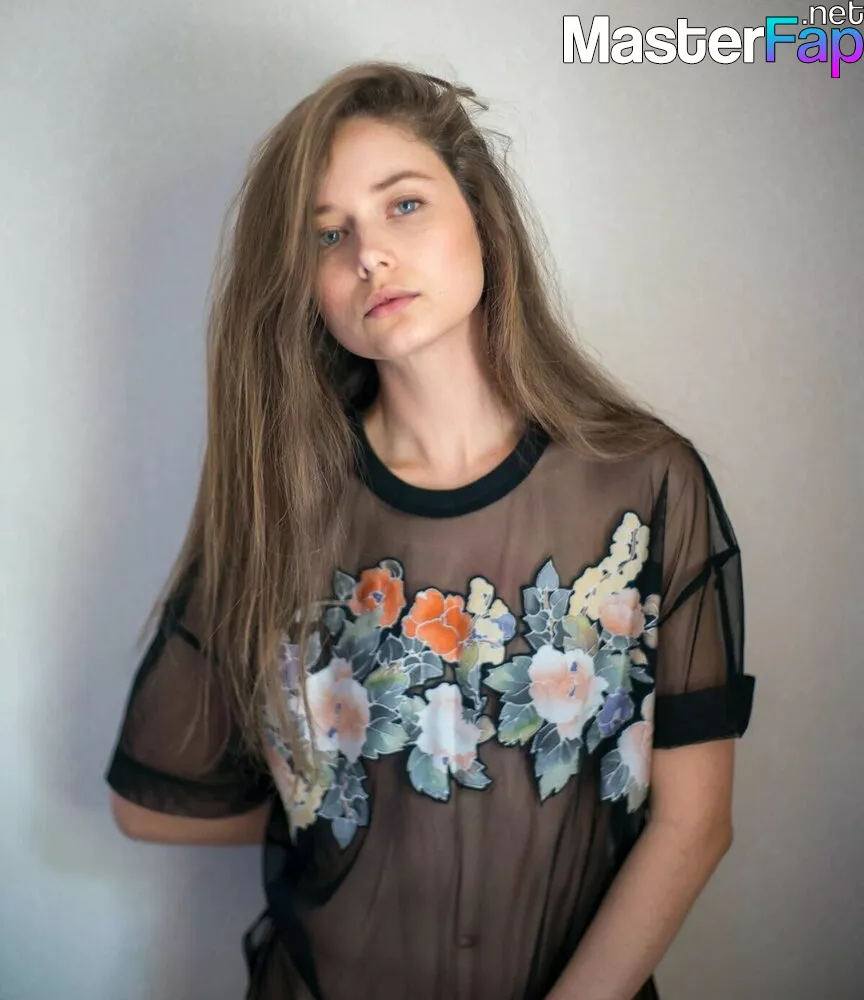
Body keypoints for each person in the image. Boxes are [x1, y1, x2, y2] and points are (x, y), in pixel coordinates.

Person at [105, 60, 755, 1000]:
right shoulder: (282, 506)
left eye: (403, 205)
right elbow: (148, 805)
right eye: (329, 234)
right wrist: (345, 801)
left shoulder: (646, 482)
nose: (368, 254)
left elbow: (695, 824)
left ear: (480, 215)